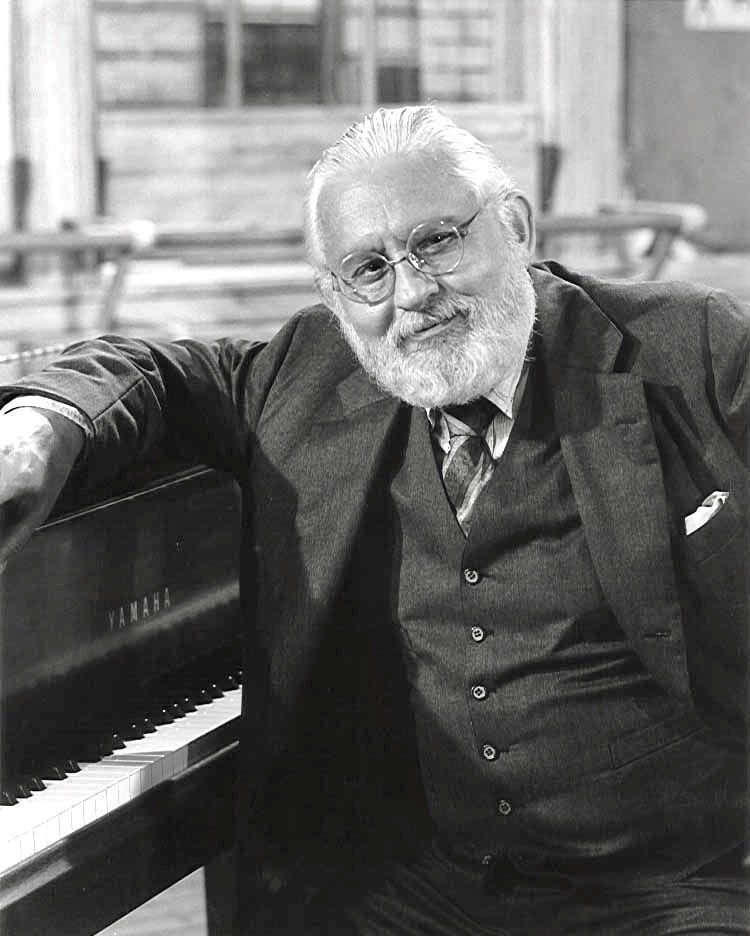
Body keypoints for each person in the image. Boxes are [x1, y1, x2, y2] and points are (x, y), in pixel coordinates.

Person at [0, 105, 748, 935]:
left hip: (676, 885)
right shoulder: (307, 371)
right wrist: (40, 429)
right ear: (333, 294)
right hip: (424, 892)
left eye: (437, 241)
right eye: (368, 268)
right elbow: (151, 370)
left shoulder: (695, 351)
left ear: (515, 226)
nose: (414, 293)